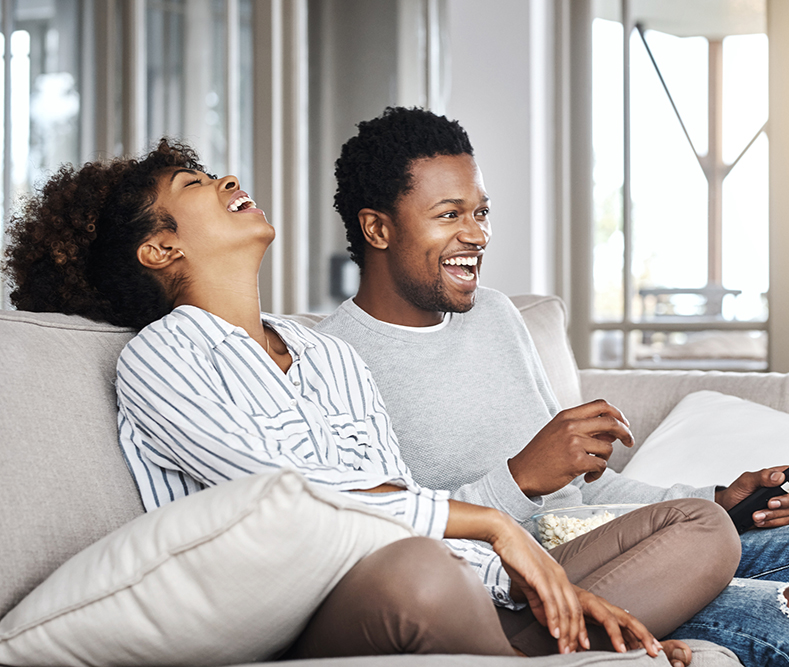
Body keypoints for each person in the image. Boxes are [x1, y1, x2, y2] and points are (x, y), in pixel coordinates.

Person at [2, 139, 741, 665]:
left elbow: (398, 491)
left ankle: (536, 639)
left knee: (702, 526)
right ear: (160, 250)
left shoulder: (327, 352)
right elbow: (303, 498)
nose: (224, 177)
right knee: (418, 572)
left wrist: (515, 578)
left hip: (442, 578)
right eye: (194, 186)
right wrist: (493, 527)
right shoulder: (162, 358)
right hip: (307, 608)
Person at [317, 106, 789, 667]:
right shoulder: (335, 361)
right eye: (450, 214)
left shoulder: (493, 316)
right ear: (377, 227)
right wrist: (519, 478)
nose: (477, 235)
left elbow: (580, 494)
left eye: (482, 212)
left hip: (616, 540)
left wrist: (718, 498)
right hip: (528, 588)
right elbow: (380, 548)